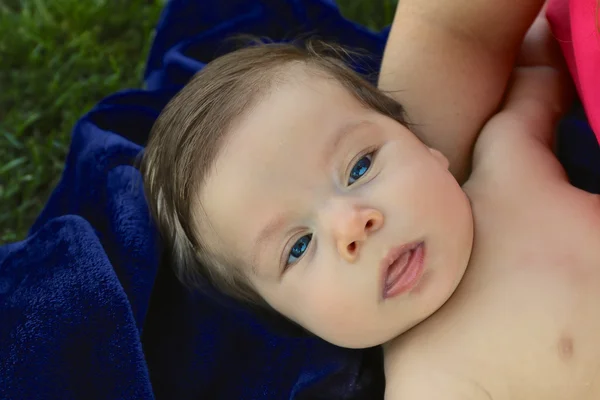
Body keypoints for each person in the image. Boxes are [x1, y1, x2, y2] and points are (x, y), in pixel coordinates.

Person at [142, 0, 599, 398]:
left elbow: (541, 69)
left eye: (360, 167)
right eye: (298, 247)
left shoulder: (509, 160)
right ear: (294, 320)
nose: (351, 224)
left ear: (423, 144)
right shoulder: (433, 382)